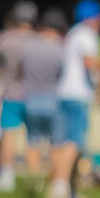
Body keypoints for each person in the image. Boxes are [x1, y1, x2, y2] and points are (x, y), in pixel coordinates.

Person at [48, 0, 100, 198]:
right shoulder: (87, 35)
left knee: (61, 142)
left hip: (63, 92)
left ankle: (58, 184)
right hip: (78, 95)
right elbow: (90, 63)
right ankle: (61, 187)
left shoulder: (73, 33)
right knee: (74, 142)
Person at [0, 2, 38, 191]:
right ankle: (34, 177)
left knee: (8, 135)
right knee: (33, 138)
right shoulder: (38, 40)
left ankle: (7, 177)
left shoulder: (5, 39)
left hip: (11, 93)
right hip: (33, 94)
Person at [21, 10, 67, 183]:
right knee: (56, 143)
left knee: (32, 141)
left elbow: (21, 70)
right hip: (53, 99)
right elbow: (63, 74)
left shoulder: (30, 47)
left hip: (31, 99)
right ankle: (54, 180)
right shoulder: (60, 48)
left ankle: (34, 179)